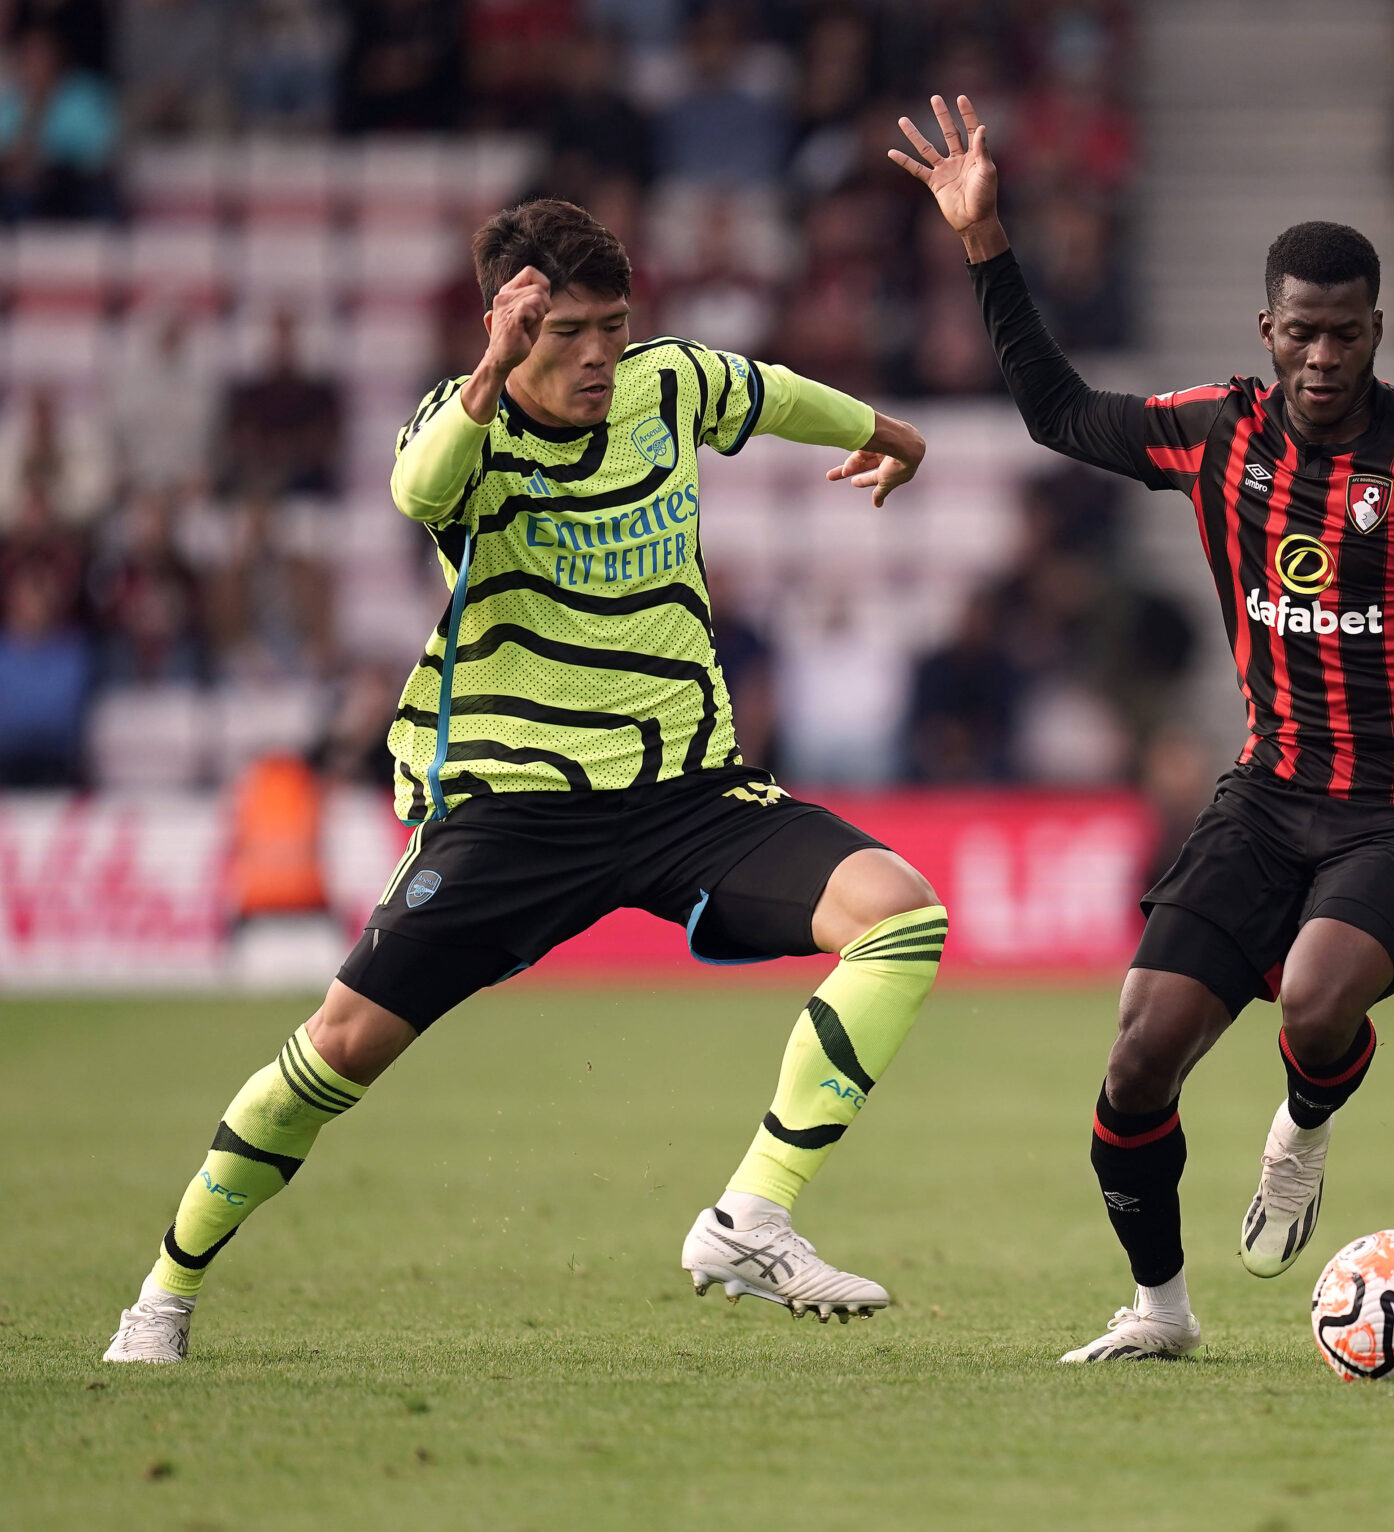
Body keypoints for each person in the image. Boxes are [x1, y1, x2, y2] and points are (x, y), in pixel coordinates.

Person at [103, 200, 944, 1364]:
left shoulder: (670, 385)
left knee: (901, 913)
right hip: (514, 810)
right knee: (339, 1047)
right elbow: (414, 492)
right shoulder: (463, 431)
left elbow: (774, 388)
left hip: (683, 793)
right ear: (508, 326)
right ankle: (165, 1288)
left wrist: (889, 429)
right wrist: (492, 369)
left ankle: (751, 1215)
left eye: (612, 326)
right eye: (566, 334)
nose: (597, 353)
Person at [895, 95, 1394, 1361]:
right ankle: (1159, 1309)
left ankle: (1302, 1128)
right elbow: (1056, 413)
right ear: (1267, 328)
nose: (1320, 357)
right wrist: (985, 243)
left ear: (1376, 331)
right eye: (1299, 332)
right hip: (1264, 794)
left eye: (1344, 335)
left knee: (1313, 1004)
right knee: (1137, 1059)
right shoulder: (1216, 432)